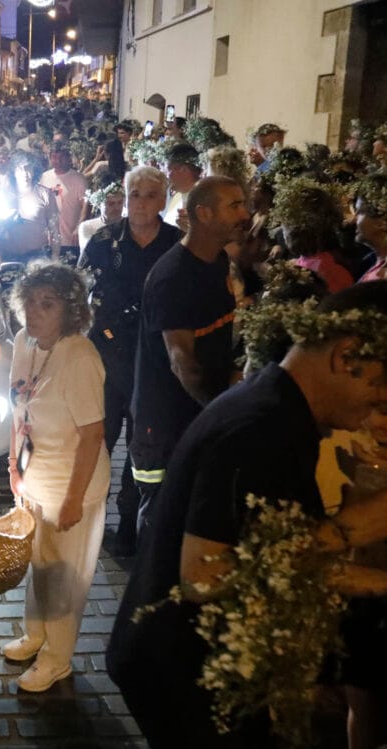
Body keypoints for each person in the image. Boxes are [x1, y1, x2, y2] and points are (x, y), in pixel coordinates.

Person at [107, 281, 387, 749]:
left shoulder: (276, 406)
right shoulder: (260, 426)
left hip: (174, 659)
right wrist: (350, 528)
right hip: (184, 673)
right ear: (347, 355)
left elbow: (265, 550)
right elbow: (206, 576)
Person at [4, 262, 111, 692]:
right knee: (40, 563)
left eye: (47, 304)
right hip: (35, 476)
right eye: (30, 301)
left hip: (73, 483)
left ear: (70, 310)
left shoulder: (79, 357)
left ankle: (56, 658)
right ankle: (36, 634)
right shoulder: (23, 342)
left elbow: (92, 435)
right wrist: (13, 467)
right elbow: (18, 410)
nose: (34, 311)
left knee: (65, 577)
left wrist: (72, 499)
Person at [130, 176, 248, 538]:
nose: (245, 214)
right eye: (234, 206)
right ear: (204, 213)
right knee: (163, 520)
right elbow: (182, 362)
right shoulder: (174, 277)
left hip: (197, 417)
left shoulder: (216, 261)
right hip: (167, 425)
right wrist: (221, 412)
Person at [78, 166, 181, 556]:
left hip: (152, 366)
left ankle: (129, 525)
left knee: (143, 449)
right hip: (104, 363)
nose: (140, 203)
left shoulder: (177, 244)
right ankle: (90, 521)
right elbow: (80, 295)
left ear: (163, 200)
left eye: (150, 195)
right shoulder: (104, 241)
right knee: (98, 443)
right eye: (134, 194)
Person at [39, 144, 88, 260]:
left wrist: (79, 227)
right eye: (54, 157)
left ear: (68, 158)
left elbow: (86, 205)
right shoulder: (44, 177)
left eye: (61, 157)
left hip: (70, 239)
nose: (58, 161)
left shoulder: (78, 179)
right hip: (49, 240)